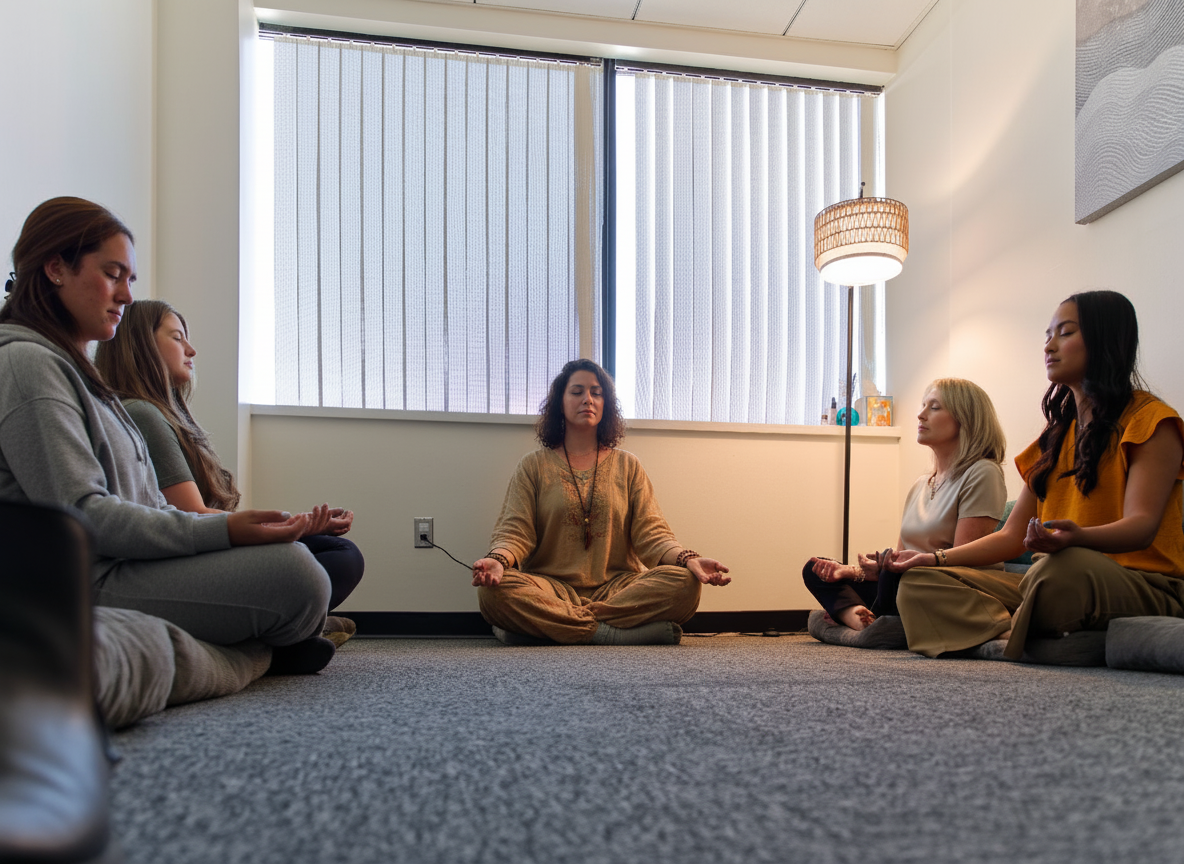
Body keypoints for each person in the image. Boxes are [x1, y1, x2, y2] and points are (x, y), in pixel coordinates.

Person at [0, 197, 335, 673]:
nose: (126, 296)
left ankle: (252, 646)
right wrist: (224, 530)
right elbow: (81, 516)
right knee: (297, 577)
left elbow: (152, 507)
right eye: (113, 274)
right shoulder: (26, 365)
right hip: (83, 581)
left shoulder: (83, 377)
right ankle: (255, 651)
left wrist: (235, 532)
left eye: (130, 280)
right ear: (56, 269)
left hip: (128, 563)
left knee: (298, 561)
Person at [890, 290, 1184, 660]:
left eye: (1066, 333)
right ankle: (1018, 631)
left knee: (1062, 570)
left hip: (1142, 583)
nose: (1049, 346)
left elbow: (1142, 526)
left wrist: (1078, 538)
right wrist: (933, 560)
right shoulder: (1055, 436)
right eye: (1048, 335)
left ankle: (1010, 631)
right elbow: (1011, 537)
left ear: (1105, 339)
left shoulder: (1152, 421)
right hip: (1046, 579)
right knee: (918, 581)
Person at [94, 299, 363, 645]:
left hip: (189, 549)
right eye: (177, 338)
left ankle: (294, 630)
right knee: (341, 558)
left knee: (332, 550)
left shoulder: (156, 414)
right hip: (173, 557)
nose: (191, 350)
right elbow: (192, 516)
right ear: (141, 345)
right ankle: (283, 636)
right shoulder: (143, 414)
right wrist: (293, 528)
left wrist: (300, 525)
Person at [471, 359, 731, 645]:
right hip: (550, 588)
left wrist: (688, 559)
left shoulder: (628, 466)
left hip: (618, 589)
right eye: (577, 392)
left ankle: (547, 629)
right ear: (560, 403)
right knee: (494, 591)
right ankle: (611, 633)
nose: (588, 399)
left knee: (686, 583)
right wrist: (497, 560)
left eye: (596, 393)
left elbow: (652, 534)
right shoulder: (533, 466)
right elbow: (515, 531)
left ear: (606, 404)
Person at [802, 378, 1009, 633]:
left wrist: (895, 570)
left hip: (947, 586)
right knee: (816, 569)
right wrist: (856, 572)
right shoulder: (921, 484)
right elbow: (898, 559)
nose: (921, 415)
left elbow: (961, 564)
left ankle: (857, 614)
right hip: (906, 582)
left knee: (908, 581)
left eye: (934, 407)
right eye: (923, 406)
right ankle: (860, 616)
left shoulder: (982, 472)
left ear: (965, 419)